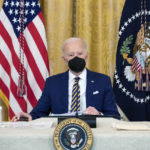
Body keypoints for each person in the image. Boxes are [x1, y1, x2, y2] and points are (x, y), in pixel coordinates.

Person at [12, 37, 120, 121]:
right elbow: (39, 113)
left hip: (92, 131)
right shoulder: (52, 83)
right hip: (61, 132)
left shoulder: (102, 81)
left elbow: (114, 116)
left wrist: (99, 115)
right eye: (71, 55)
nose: (76, 58)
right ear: (64, 59)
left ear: (86, 56)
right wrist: (28, 116)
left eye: (80, 54)